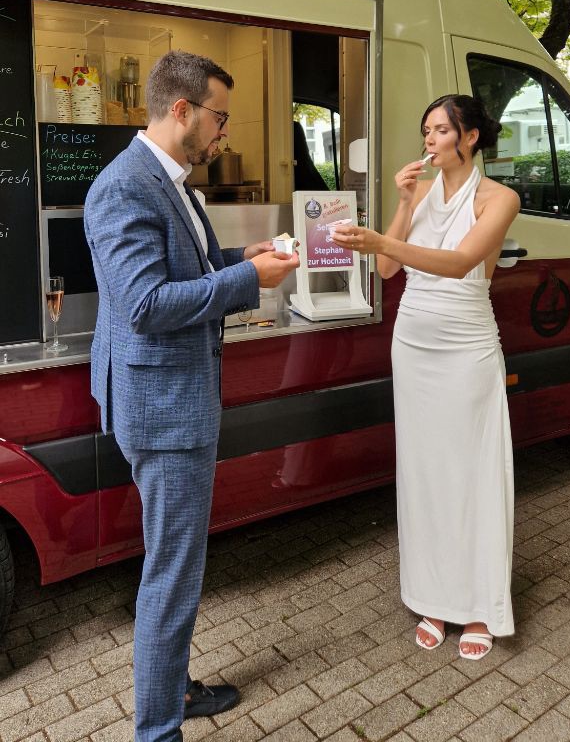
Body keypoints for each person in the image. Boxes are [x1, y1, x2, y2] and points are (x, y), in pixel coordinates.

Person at [84, 49, 299, 742]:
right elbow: (146, 304)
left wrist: (245, 259)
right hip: (163, 411)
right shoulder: (125, 187)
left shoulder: (168, 179)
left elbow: (191, 270)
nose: (224, 132)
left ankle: (172, 689)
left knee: (172, 565)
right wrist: (250, 282)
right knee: (172, 575)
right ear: (181, 109)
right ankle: (158, 730)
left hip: (171, 400)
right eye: (220, 117)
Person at [330, 94, 519, 660]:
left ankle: (481, 606)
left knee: (472, 472)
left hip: (467, 346)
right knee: (425, 472)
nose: (429, 139)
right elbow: (388, 267)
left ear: (470, 137)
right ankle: (433, 597)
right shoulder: (423, 191)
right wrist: (405, 201)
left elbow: (460, 264)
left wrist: (381, 241)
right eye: (426, 130)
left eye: (440, 129)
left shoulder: (500, 199)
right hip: (413, 343)